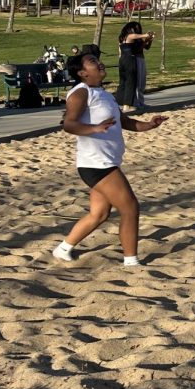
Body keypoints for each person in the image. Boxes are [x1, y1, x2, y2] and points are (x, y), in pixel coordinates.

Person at [52, 51, 167, 267]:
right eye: (93, 62)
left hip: (105, 161)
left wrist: (150, 124)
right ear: (82, 73)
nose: (100, 63)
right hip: (96, 164)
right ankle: (131, 261)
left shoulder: (104, 94)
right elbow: (69, 124)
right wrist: (94, 128)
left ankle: (63, 249)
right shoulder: (81, 93)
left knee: (99, 214)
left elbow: (125, 121)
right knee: (130, 207)